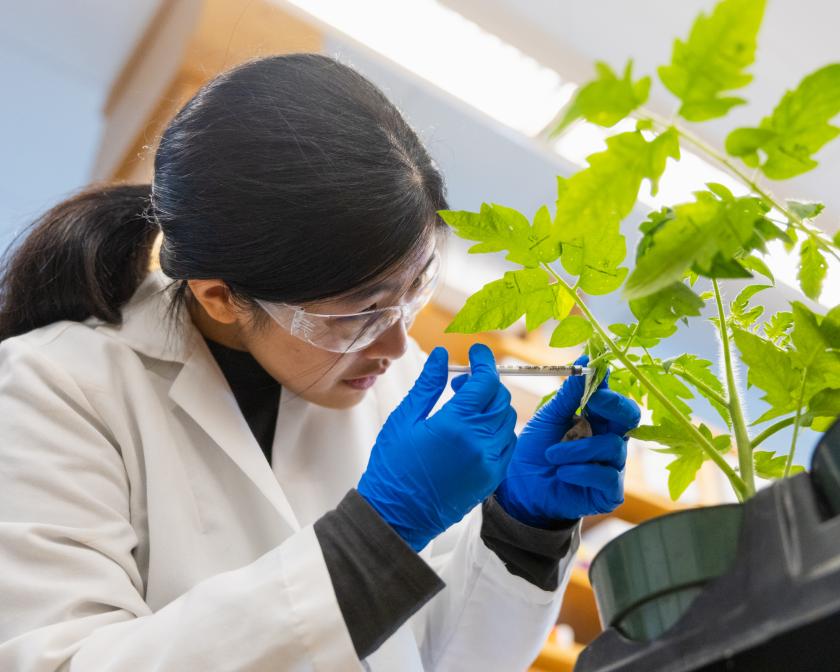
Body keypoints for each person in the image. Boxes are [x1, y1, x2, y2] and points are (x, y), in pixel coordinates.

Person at [0, 54, 639, 671]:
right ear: (219, 296)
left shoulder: (396, 390)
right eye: (356, 313)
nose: (395, 347)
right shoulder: (51, 390)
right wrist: (376, 538)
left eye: (413, 290)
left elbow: (447, 658)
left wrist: (522, 530)